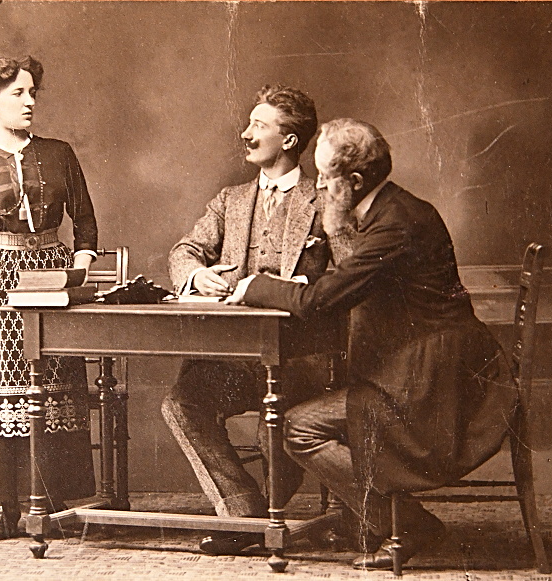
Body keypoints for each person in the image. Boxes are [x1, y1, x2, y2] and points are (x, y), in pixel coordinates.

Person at [227, 118, 518, 569]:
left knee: (297, 427)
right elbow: (345, 283)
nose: (318, 186)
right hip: (426, 365)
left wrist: (256, 286)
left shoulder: (394, 225)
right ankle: (369, 519)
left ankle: (409, 525)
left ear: (356, 181)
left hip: (437, 382)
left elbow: (322, 300)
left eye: (326, 177)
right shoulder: (387, 210)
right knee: (311, 408)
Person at [163, 85, 340, 555]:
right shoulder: (231, 199)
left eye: (258, 125)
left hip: (305, 361)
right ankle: (246, 515)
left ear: (289, 140)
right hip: (239, 359)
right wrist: (197, 275)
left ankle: (265, 520)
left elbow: (348, 276)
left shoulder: (324, 201)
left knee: (275, 423)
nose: (245, 133)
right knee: (183, 402)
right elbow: (184, 250)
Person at [0, 56, 98, 540]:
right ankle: (2, 505)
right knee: (4, 389)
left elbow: (86, 224)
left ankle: (49, 498)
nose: (30, 101)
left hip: (53, 275)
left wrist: (77, 273)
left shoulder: (59, 154)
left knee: (52, 382)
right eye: (18, 93)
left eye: (33, 92)